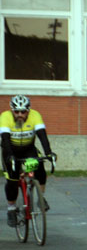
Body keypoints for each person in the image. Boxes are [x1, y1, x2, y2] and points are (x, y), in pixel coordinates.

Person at [0, 95, 57, 227]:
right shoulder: (5, 117)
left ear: (29, 110)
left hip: (28, 149)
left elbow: (42, 135)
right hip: (10, 150)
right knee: (12, 181)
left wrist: (48, 152)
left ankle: (40, 198)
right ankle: (11, 209)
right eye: (17, 111)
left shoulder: (35, 115)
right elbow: (5, 140)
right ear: (12, 110)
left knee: (40, 169)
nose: (20, 114)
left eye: (23, 112)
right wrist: (10, 156)